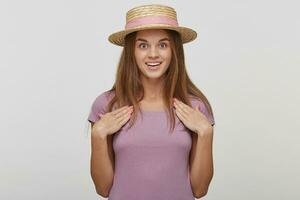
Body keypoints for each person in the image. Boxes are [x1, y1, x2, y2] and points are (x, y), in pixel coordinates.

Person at [87, 4, 215, 200]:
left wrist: (206, 133)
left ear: (174, 51)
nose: (153, 54)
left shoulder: (195, 107)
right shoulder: (107, 105)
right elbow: (103, 189)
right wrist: (98, 135)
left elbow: (200, 190)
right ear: (132, 51)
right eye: (143, 45)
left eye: (163, 45)